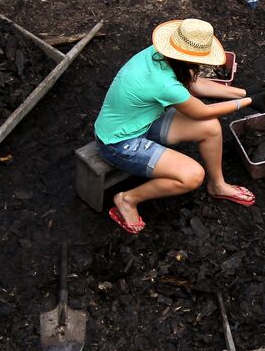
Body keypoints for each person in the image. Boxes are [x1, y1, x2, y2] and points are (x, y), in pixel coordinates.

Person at [94, 18, 255, 234]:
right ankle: (127, 199)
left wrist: (243, 92)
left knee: (210, 128)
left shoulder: (164, 55)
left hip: (144, 120)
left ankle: (218, 185)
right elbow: (201, 110)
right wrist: (245, 103)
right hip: (119, 142)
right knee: (192, 176)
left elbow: (195, 84)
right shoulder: (163, 83)